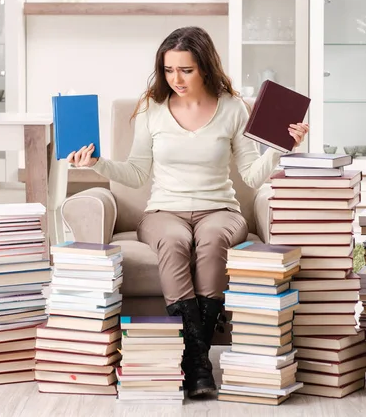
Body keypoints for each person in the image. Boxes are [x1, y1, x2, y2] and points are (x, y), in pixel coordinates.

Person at [67, 26, 309, 398]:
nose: (175, 79)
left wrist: (280, 147)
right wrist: (97, 163)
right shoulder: (152, 108)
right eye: (168, 70)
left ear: (206, 68)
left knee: (212, 239)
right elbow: (135, 173)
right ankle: (199, 362)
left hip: (221, 210)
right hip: (165, 211)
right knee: (175, 239)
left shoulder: (233, 107)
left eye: (186, 70)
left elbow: (250, 175)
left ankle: (193, 359)